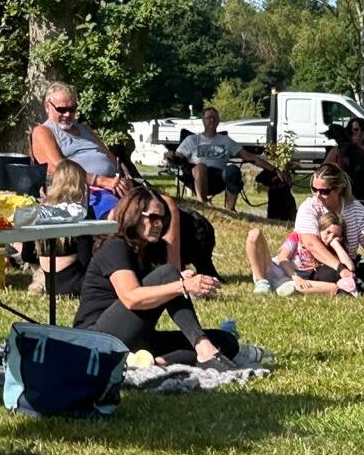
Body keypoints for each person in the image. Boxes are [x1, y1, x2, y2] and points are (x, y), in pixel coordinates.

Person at [74, 186, 239, 369]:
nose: (159, 224)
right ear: (133, 215)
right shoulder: (115, 246)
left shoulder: (143, 251)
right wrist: (181, 286)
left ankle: (149, 363)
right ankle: (203, 350)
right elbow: (131, 298)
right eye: (153, 218)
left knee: (226, 341)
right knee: (168, 273)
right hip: (95, 340)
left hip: (132, 338)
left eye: (162, 219)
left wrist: (179, 281)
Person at [246, 164, 364, 295]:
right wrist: (341, 269)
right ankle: (263, 281)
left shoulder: (355, 209)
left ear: (339, 189)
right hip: (317, 269)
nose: (317, 195)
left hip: (341, 263)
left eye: (324, 191)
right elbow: (310, 244)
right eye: (314, 189)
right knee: (331, 275)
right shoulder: (309, 208)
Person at [31, 82, 129, 219]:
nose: (67, 114)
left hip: (116, 187)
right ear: (47, 106)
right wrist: (102, 181)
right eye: (61, 109)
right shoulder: (43, 131)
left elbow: (111, 160)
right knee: (124, 214)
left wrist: (124, 180)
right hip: (86, 191)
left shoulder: (86, 130)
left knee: (166, 205)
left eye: (72, 109)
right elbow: (59, 168)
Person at [169, 107, 280, 212]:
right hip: (194, 176)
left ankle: (230, 209)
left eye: (214, 118)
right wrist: (170, 156)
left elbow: (251, 157)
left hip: (219, 178)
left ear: (218, 121)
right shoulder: (192, 140)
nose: (211, 120)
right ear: (203, 121)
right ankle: (202, 202)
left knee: (232, 169)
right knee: (201, 166)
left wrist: (275, 170)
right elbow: (177, 156)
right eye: (208, 118)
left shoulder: (225, 141)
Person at [30, 161, 91, 296]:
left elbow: (27, 255)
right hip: (77, 284)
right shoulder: (79, 215)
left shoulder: (41, 213)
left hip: (50, 284)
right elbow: (85, 259)